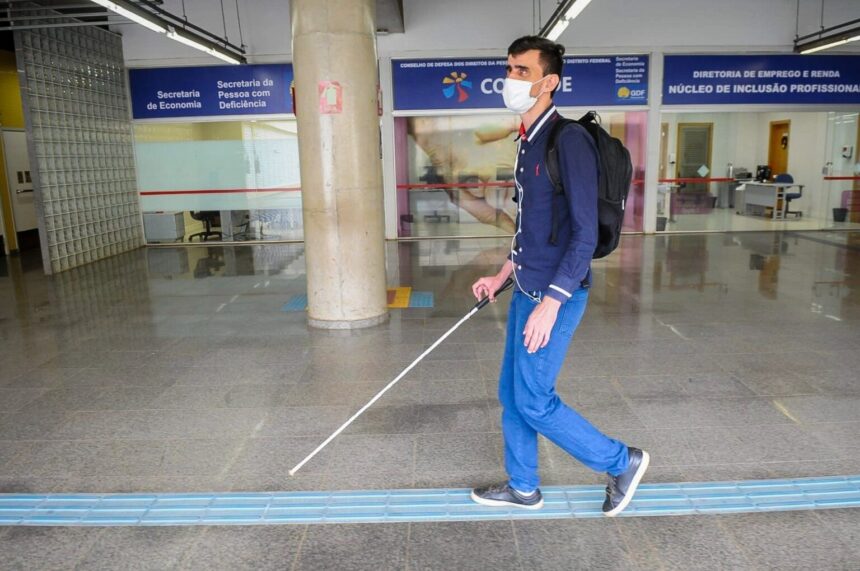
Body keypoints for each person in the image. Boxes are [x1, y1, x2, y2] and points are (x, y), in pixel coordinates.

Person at [469, 36, 649, 517]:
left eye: (522, 71)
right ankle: (523, 486)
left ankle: (622, 461)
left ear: (548, 82)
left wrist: (551, 304)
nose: (510, 79)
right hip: (527, 288)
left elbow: (584, 233)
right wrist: (501, 274)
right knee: (513, 395)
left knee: (535, 401)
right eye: (509, 68)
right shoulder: (527, 141)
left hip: (556, 295)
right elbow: (531, 228)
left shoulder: (568, 140)